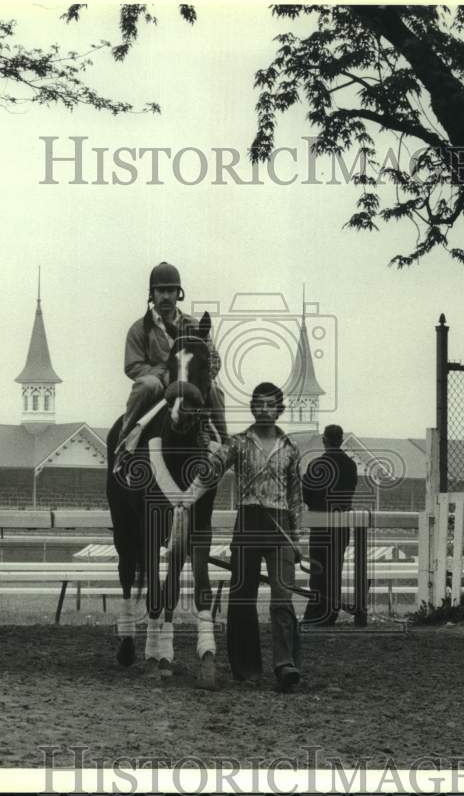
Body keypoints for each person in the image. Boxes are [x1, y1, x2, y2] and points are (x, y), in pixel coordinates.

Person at [179, 382, 304, 692]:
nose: (263, 410)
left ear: (279, 410)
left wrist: (298, 539)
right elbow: (212, 470)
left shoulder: (290, 449)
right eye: (258, 404)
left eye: (270, 405)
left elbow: (296, 496)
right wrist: (184, 501)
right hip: (248, 523)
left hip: (281, 527)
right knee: (242, 597)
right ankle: (246, 670)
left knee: (282, 597)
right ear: (252, 408)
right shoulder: (237, 443)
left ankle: (285, 665)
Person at [116, 262, 227, 465]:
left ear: (179, 293)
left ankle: (225, 446)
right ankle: (125, 441)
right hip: (158, 385)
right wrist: (163, 374)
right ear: (152, 294)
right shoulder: (139, 329)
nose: (166, 296)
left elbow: (213, 358)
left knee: (215, 392)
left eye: (171, 290)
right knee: (146, 385)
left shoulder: (194, 325)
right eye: (161, 291)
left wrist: (202, 378)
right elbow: (132, 365)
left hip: (190, 385)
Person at [301, 424, 358, 626]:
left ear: (324, 440)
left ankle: (316, 612)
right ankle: (330, 612)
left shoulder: (316, 464)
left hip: (320, 522)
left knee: (318, 570)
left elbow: (306, 495)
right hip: (341, 523)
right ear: (341, 440)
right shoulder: (351, 465)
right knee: (335, 569)